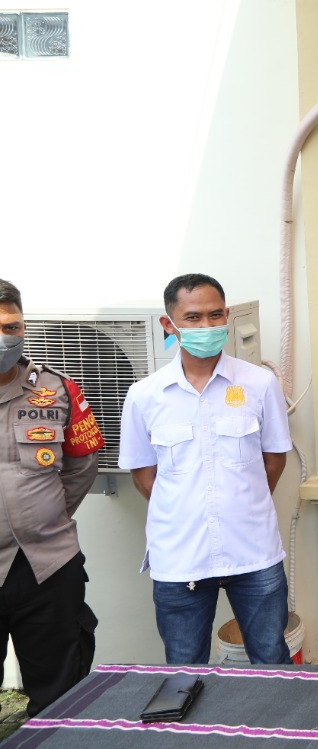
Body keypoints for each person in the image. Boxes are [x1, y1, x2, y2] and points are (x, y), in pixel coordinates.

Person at [119, 274, 294, 665]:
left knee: (271, 661)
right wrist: (186, 507)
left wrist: (241, 503)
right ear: (169, 324)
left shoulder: (260, 384)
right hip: (180, 555)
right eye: (193, 317)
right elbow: (143, 476)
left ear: (227, 316)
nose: (206, 326)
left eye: (215, 315)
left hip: (253, 551)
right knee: (184, 667)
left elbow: (274, 460)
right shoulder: (144, 396)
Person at [0, 279, 103, 716]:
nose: (4, 338)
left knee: (60, 697)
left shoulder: (58, 389)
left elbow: (82, 464)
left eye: (11, 326)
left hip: (47, 565)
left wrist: (44, 517)